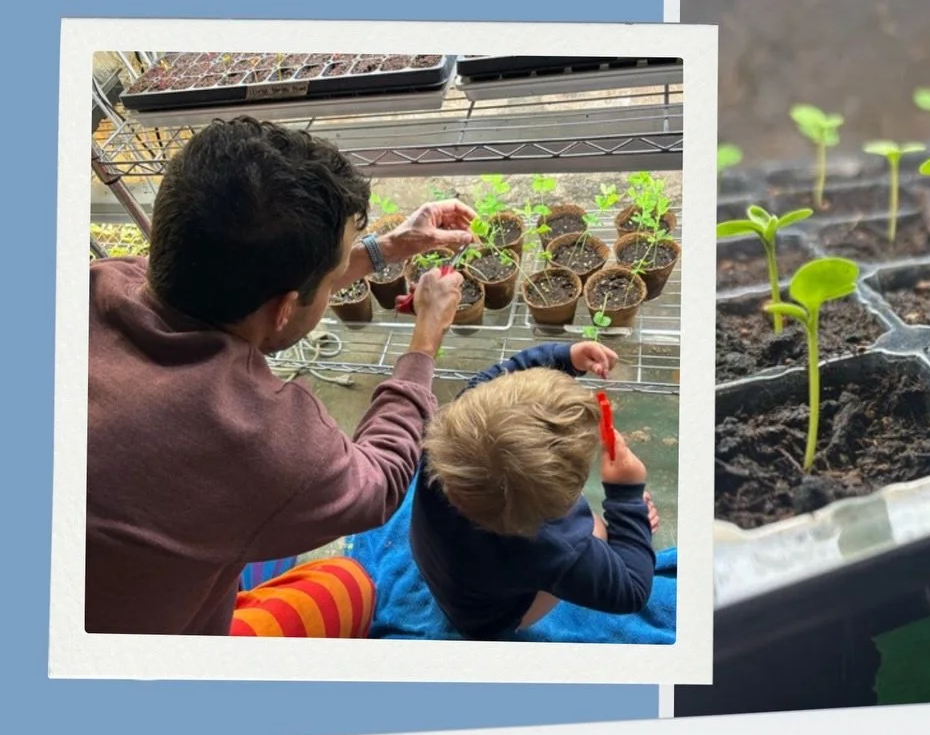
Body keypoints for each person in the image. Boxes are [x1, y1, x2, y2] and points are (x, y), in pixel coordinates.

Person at [86, 115, 475, 636]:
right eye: (336, 267)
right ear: (285, 310)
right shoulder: (260, 439)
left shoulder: (101, 280)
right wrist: (425, 339)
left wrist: (391, 246)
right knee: (349, 581)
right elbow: (379, 483)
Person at [411, 341, 660, 640]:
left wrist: (564, 358)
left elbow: (486, 382)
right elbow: (632, 590)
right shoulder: (552, 546)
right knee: (597, 530)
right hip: (483, 623)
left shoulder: (446, 436)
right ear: (559, 503)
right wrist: (627, 497)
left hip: (448, 573)